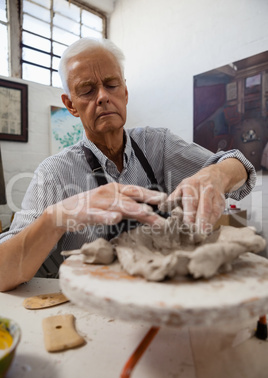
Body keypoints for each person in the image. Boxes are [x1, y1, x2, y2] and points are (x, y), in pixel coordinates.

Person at [0, 37, 255, 292]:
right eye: (87, 90)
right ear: (71, 105)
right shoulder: (54, 173)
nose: (102, 97)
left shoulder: (158, 145)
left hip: (160, 295)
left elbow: (239, 165)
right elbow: (4, 273)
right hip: (96, 306)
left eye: (111, 84)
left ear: (125, 92)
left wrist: (216, 175)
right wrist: (57, 217)